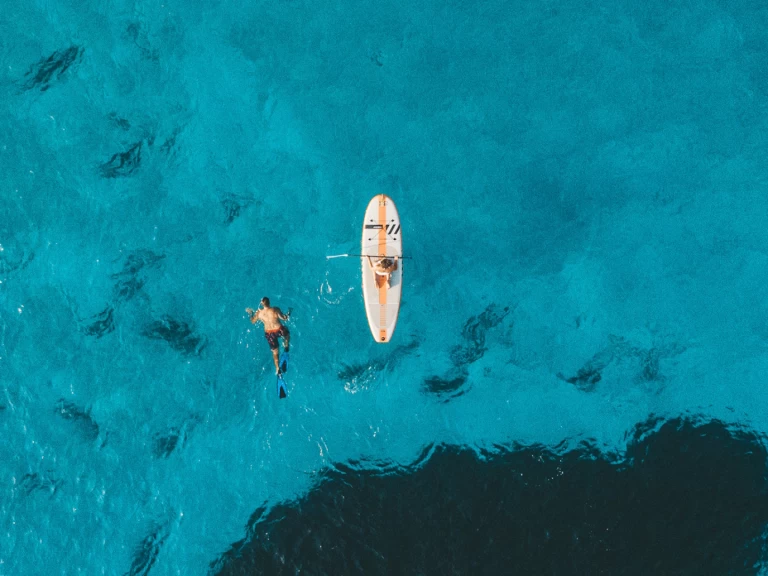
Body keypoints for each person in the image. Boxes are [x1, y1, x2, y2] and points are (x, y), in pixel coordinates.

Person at [246, 297, 291, 374]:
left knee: (275, 352)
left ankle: (277, 369)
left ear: (261, 304)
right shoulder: (275, 309)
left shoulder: (259, 313)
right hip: (278, 329)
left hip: (269, 333)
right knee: (287, 335)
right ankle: (286, 347)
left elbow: (252, 321)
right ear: (269, 302)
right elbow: (284, 318)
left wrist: (250, 313)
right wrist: (289, 312)